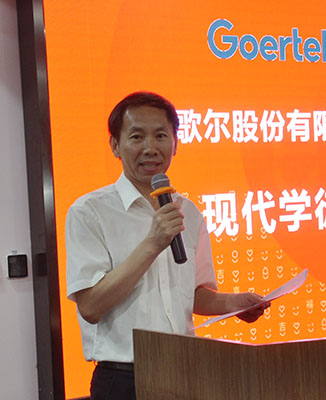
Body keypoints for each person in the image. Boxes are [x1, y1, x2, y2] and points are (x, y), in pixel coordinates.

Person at [66, 91, 269, 400]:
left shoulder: (187, 211)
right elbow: (91, 307)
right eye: (137, 136)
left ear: (175, 143)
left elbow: (193, 295)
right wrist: (152, 243)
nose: (150, 147)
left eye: (160, 136)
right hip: (124, 380)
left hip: (186, 370)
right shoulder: (90, 211)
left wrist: (234, 303)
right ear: (115, 145)